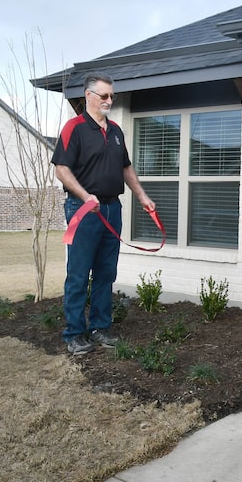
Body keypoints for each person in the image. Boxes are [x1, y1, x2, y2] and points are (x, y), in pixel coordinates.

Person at [52, 72, 155, 355]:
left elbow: (126, 168)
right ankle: (74, 333)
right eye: (104, 96)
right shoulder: (74, 128)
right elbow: (61, 169)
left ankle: (100, 328)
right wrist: (86, 196)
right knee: (78, 273)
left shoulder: (116, 131)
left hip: (113, 208)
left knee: (106, 272)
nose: (109, 100)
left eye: (113, 96)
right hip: (83, 210)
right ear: (88, 96)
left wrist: (142, 196)